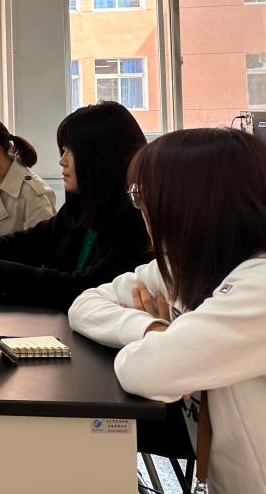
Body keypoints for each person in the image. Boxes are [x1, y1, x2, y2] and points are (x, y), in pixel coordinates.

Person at [68, 129, 266, 494]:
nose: (142, 210)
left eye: (142, 196)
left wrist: (167, 340)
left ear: (189, 201)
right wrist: (152, 328)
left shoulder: (259, 287)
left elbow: (145, 371)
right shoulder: (184, 268)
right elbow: (85, 305)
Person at [0, 101, 151, 311]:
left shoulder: (136, 222)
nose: (62, 161)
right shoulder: (83, 207)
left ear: (103, 157)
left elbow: (83, 289)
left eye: (71, 152)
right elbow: (35, 239)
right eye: (63, 150)